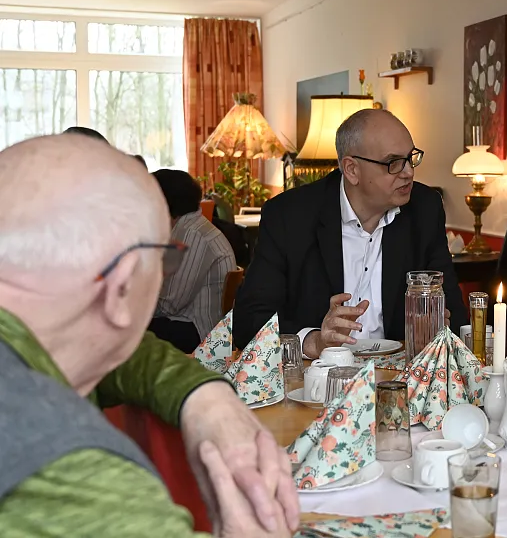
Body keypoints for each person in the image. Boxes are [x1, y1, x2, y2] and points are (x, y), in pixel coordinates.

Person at [0, 135, 298, 536]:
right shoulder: (80, 481)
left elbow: (121, 353)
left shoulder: (42, 340)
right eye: (164, 256)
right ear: (120, 287)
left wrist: (206, 397)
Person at [233, 108, 467, 355]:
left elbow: (454, 314)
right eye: (393, 163)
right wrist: (314, 341)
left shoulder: (424, 208)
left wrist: (441, 327)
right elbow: (248, 323)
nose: (408, 172)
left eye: (411, 158)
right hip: (318, 377)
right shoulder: (290, 217)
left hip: (399, 378)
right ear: (352, 169)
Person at [151, 169, 237, 353]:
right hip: (190, 323)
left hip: (200, 331)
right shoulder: (189, 228)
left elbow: (170, 304)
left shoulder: (191, 234)